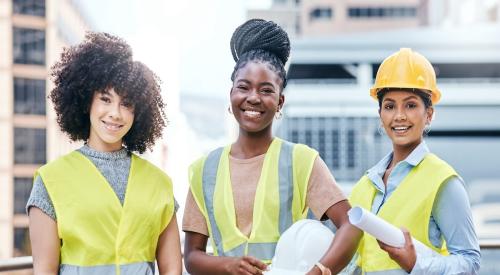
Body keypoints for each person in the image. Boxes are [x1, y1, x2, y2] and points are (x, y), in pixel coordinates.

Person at [182, 19, 362, 275]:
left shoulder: (300, 160)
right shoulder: (203, 170)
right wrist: (229, 265)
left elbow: (351, 225)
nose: (253, 97)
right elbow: (191, 257)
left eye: (266, 90)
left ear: (280, 102)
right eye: (243, 87)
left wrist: (319, 271)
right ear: (231, 93)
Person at [27, 32, 182, 275]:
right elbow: (44, 271)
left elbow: (172, 269)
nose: (115, 113)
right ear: (86, 100)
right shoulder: (50, 181)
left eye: (127, 104)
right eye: (105, 99)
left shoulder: (159, 183)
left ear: (138, 112)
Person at [349, 48, 481, 274]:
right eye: (390, 106)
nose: (399, 116)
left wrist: (416, 264)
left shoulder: (443, 181)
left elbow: (470, 262)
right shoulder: (365, 185)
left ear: (429, 114)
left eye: (410, 105)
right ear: (380, 114)